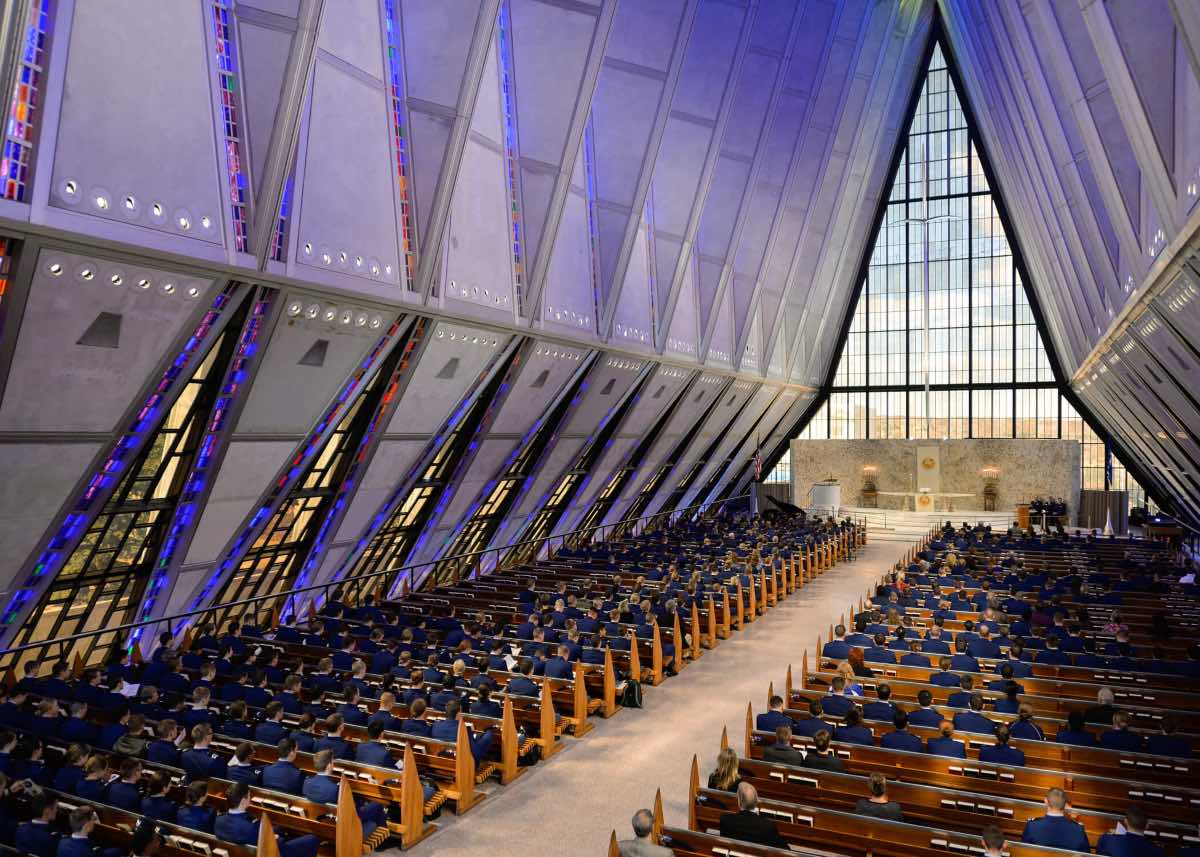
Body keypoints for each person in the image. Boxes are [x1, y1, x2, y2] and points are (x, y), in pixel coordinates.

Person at [216, 783, 318, 857]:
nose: (250, 798)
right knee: (312, 839)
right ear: (243, 800)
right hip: (270, 853)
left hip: (241, 851)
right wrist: (277, 837)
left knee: (279, 829)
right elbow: (275, 843)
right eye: (249, 796)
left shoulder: (218, 820)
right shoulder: (253, 826)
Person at [718, 782, 788, 849]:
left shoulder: (725, 820)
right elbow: (784, 849)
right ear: (756, 801)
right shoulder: (768, 826)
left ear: (739, 801)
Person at [1021, 788, 1090, 852]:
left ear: (1046, 801)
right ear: (1065, 804)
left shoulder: (1032, 826)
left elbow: (1023, 852)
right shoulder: (1078, 830)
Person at [1096, 806, 1163, 857]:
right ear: (1147, 825)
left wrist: (1115, 837)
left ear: (1125, 821)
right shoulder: (1156, 851)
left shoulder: (1107, 839)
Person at [57, 806, 122, 857]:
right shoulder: (89, 852)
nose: (94, 822)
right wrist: (120, 850)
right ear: (86, 826)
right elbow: (106, 854)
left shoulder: (62, 842)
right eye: (93, 820)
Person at [15, 792, 59, 857]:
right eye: (56, 807)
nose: (57, 810)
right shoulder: (52, 837)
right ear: (47, 810)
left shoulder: (20, 829)